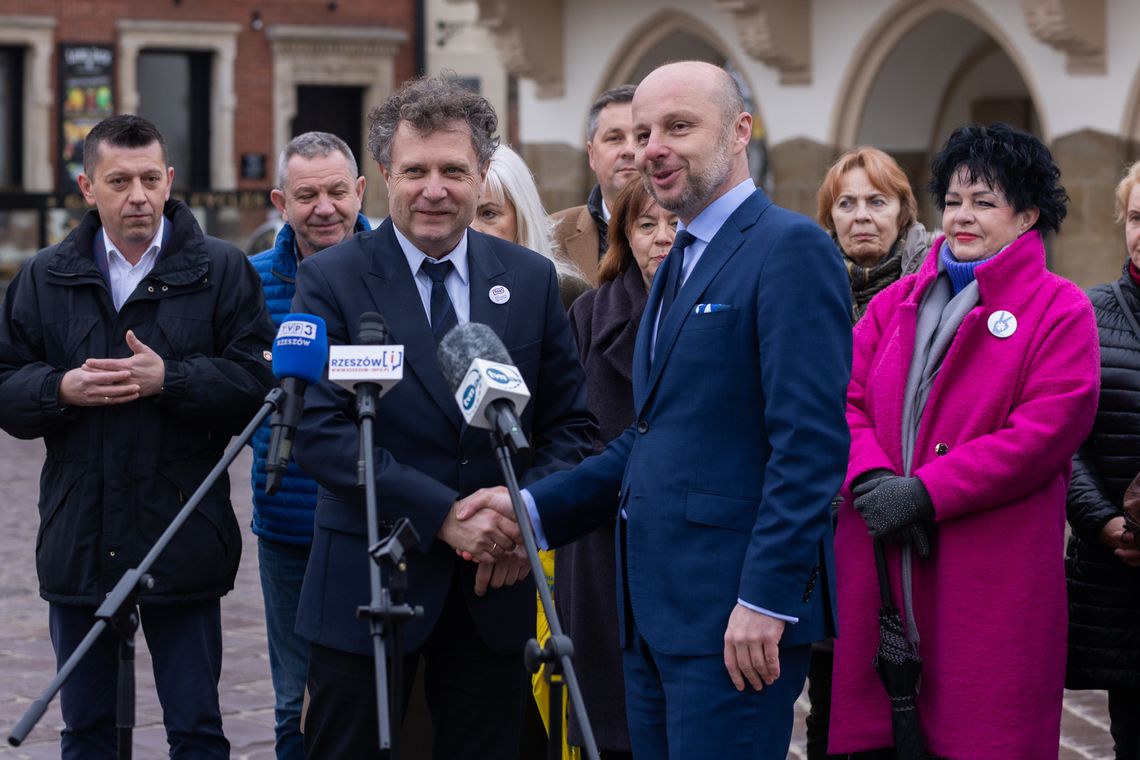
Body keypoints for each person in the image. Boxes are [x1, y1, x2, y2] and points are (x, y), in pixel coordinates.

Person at [460, 60, 852, 759]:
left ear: (740, 133)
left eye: (678, 126)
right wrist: (530, 511)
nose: (653, 149)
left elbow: (811, 448)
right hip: (647, 620)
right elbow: (646, 439)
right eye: (642, 133)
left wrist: (765, 601)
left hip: (734, 621)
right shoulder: (677, 260)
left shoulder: (790, 248)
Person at [289, 75, 595, 759]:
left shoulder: (529, 278)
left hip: (495, 586)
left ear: (482, 172)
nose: (435, 189)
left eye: (454, 170)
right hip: (369, 580)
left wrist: (522, 521)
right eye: (416, 170)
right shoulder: (332, 279)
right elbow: (321, 432)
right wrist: (444, 515)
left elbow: (571, 427)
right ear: (384, 174)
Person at [0, 114, 276, 758]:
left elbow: (258, 385)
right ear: (87, 187)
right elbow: (6, 386)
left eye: (151, 178)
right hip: (80, 534)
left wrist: (169, 379)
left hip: (181, 530)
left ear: (170, 178)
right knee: (87, 730)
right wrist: (59, 389)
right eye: (119, 181)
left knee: (197, 728)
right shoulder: (45, 275)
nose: (139, 196)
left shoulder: (222, 269)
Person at [829, 123, 1101, 759]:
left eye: (984, 201)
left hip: (989, 576)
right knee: (881, 738)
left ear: (1028, 213)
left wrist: (925, 493)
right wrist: (871, 480)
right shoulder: (894, 301)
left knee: (980, 735)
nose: (962, 216)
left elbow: (1044, 431)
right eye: (952, 201)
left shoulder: (1060, 310)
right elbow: (845, 401)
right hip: (883, 559)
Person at [247, 130, 369, 760]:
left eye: (336, 191)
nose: (324, 207)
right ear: (280, 202)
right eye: (306, 195)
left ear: (361, 192)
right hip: (290, 523)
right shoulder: (252, 280)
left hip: (377, 516)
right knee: (295, 700)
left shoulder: (396, 270)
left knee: (377, 693)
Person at [807, 146, 928, 759]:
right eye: (846, 204)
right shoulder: (805, 289)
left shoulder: (936, 290)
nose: (862, 217)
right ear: (829, 217)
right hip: (824, 521)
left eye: (877, 202)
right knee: (833, 692)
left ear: (904, 212)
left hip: (905, 514)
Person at [558, 176, 677, 759]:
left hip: (681, 540)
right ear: (624, 237)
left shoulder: (715, 307)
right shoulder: (590, 313)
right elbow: (567, 426)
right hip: (602, 539)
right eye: (645, 226)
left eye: (673, 225)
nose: (661, 239)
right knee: (611, 725)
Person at [1065, 158, 1140, 760]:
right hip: (1120, 574)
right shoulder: (1089, 316)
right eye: (1137, 217)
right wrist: (1105, 522)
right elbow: (1064, 439)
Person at [473, 143, 590, 309]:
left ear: (522, 219)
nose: (472, 229)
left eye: (488, 214)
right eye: (465, 215)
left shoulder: (567, 295)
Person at [552, 84, 638, 285]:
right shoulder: (553, 234)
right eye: (615, 138)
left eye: (642, 136)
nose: (629, 150)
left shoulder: (686, 229)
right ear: (592, 155)